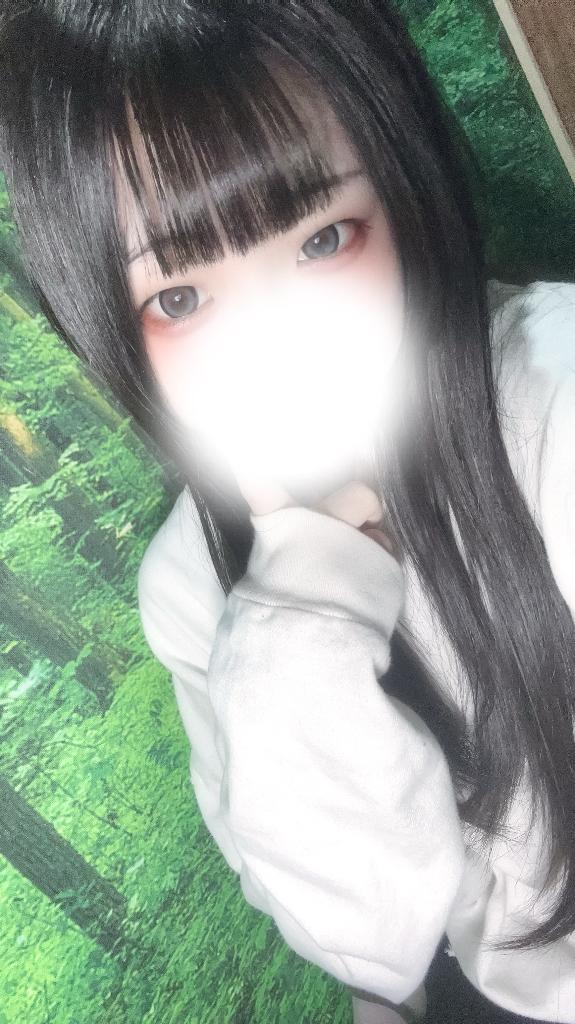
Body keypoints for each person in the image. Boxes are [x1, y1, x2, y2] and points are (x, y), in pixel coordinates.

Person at [0, 2, 574, 1022]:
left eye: (322, 238)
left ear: (402, 188)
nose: (280, 340)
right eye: (180, 299)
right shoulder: (195, 587)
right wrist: (305, 608)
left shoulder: (551, 389)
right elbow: (369, 949)